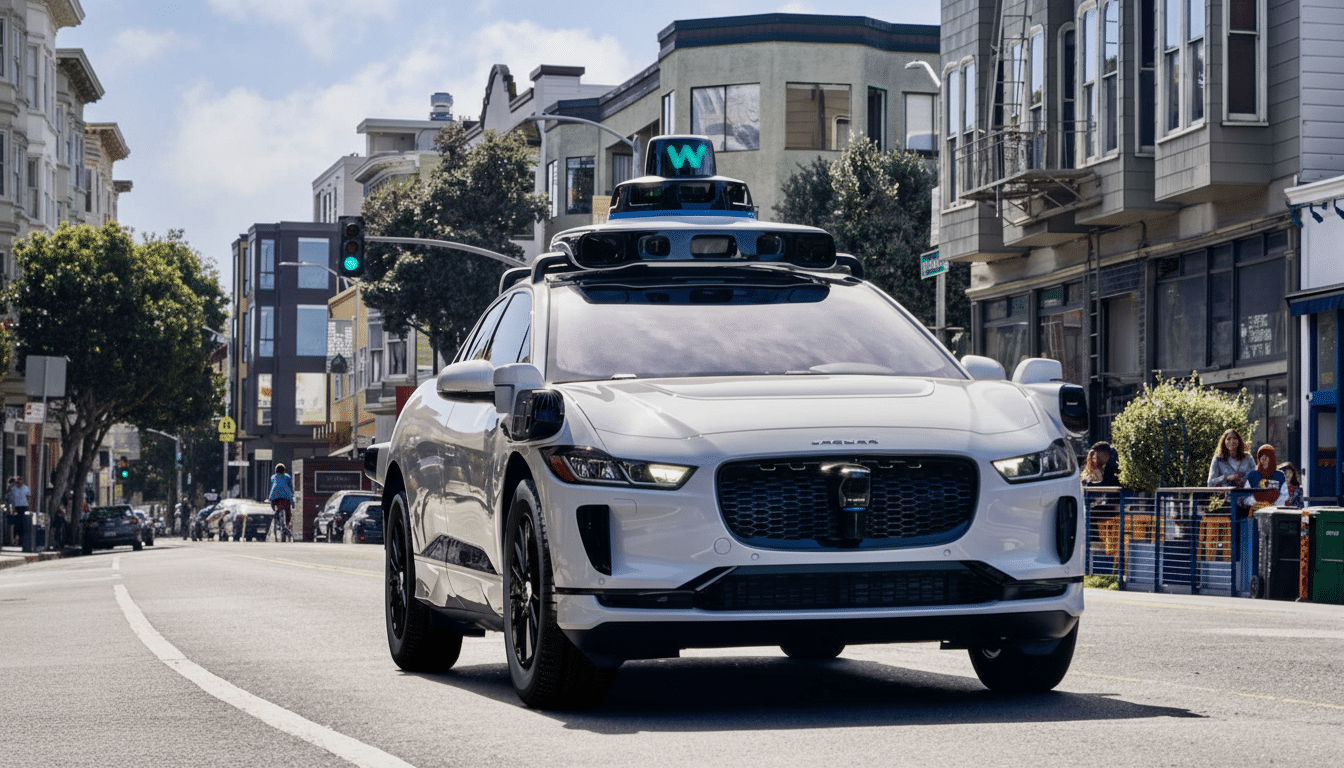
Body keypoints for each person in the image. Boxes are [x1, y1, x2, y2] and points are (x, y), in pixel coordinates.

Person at [1243, 444, 1288, 512]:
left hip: (1274, 511)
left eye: (1267, 457)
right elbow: (1246, 494)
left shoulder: (1279, 475)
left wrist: (1273, 505)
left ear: (1272, 458)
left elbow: (1284, 495)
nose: (1264, 459)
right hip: (1256, 511)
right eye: (1261, 457)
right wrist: (1256, 503)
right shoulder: (1252, 475)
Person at [268, 464, 294, 542]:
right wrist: (292, 495)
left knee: (275, 507)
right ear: (284, 470)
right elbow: (290, 487)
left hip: (275, 496)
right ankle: (287, 523)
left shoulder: (273, 477)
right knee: (288, 511)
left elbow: (273, 486)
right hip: (286, 497)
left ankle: (276, 514)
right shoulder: (288, 477)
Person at [7, 477, 30, 547]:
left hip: (24, 507)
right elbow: (11, 498)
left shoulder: (25, 488)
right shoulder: (13, 489)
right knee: (17, 524)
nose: (18, 483)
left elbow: (28, 497)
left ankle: (22, 540)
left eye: (20, 481)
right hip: (16, 508)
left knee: (23, 523)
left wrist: (27, 504)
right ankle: (16, 539)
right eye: (17, 482)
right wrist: (13, 508)